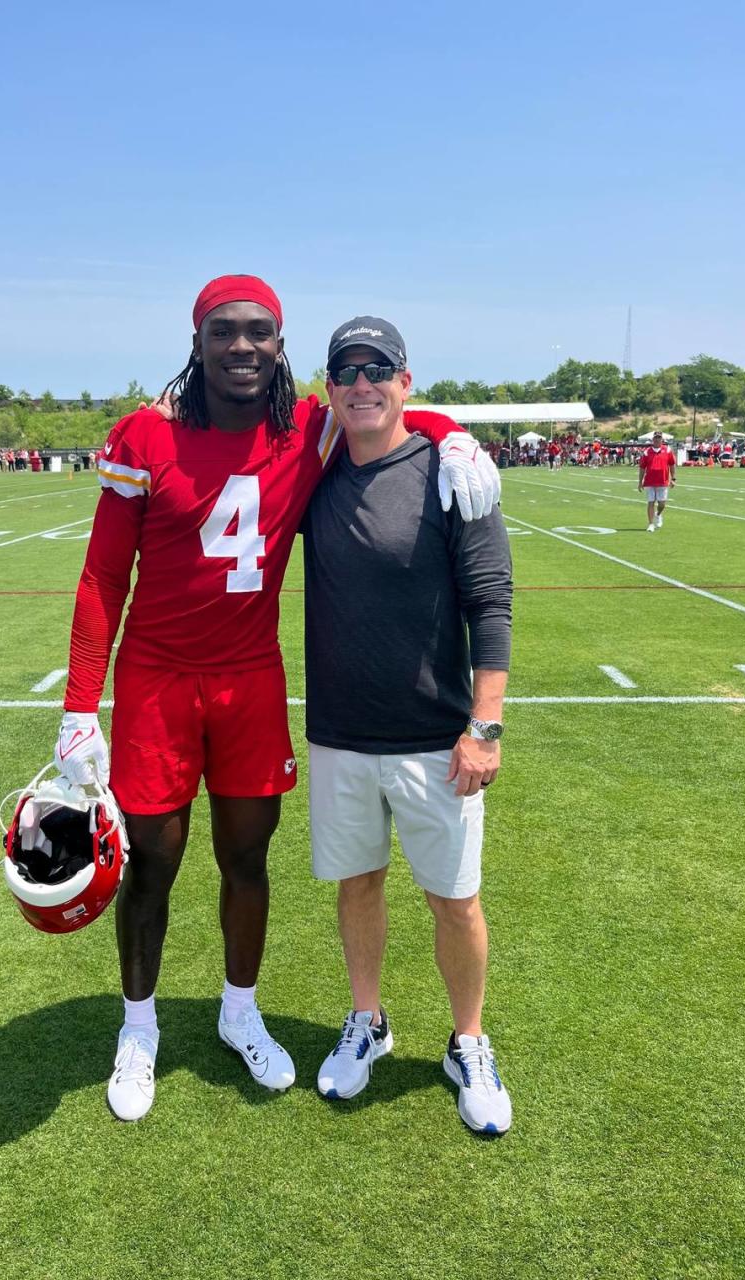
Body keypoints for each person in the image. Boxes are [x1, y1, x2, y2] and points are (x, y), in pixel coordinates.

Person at [53, 275, 501, 1123]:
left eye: (259, 332)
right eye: (224, 332)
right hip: (155, 680)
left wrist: (454, 434)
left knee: (247, 859)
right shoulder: (146, 435)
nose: (243, 346)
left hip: (250, 678)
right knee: (152, 861)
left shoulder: (303, 425)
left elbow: (386, 412)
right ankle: (139, 1028)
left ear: (280, 343)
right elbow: (103, 575)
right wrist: (81, 705)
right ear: (198, 341)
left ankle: (239, 1010)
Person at [302, 317, 514, 1134]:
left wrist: (484, 726)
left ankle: (468, 1040)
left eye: (378, 367)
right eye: (347, 370)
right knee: (358, 884)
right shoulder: (314, 472)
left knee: (455, 900)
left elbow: (490, 603)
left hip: (436, 738)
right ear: (329, 387)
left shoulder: (452, 472)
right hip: (340, 737)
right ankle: (369, 1021)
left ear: (405, 379)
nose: (363, 382)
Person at [638, 431, 677, 531]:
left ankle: (658, 514)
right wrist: (640, 481)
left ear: (662, 439)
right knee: (651, 502)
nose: (657, 439)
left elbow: (672, 464)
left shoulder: (667, 450)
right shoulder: (647, 452)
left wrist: (673, 478)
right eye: (655, 437)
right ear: (652, 439)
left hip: (663, 480)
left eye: (659, 438)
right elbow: (642, 467)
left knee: (662, 504)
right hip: (650, 481)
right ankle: (651, 524)